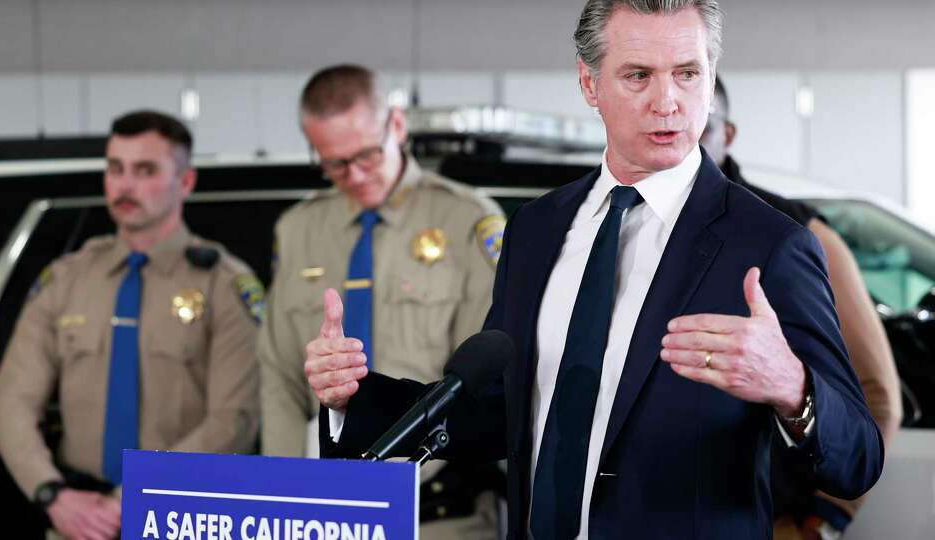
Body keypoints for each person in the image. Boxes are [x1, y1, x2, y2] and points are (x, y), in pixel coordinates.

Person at [306, 1, 884, 538]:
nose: (668, 101)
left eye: (688, 73)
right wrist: (352, 397)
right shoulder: (536, 229)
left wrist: (793, 389)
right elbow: (496, 412)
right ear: (589, 83)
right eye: (638, 76)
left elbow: (858, 458)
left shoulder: (769, 243)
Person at [258, 65, 505, 539]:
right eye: (334, 163)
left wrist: (388, 478)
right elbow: (277, 377)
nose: (353, 175)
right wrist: (290, 493)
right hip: (319, 513)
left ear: (396, 126)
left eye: (366, 155)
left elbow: (478, 379)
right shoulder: (297, 230)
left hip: (433, 512)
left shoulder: (467, 219)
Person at [0, 110, 262, 540]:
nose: (125, 185)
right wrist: (52, 494)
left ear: (185, 182)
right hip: (76, 519)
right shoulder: (66, 279)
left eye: (145, 170)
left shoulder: (224, 285)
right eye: (115, 169)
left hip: (184, 515)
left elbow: (235, 419)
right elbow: (11, 399)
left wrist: (140, 494)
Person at [701, 77, 902, 540]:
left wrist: (821, 523)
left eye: (703, 123)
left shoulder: (792, 233)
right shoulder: (620, 226)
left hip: (764, 518)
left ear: (728, 133)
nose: (684, 135)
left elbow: (877, 396)